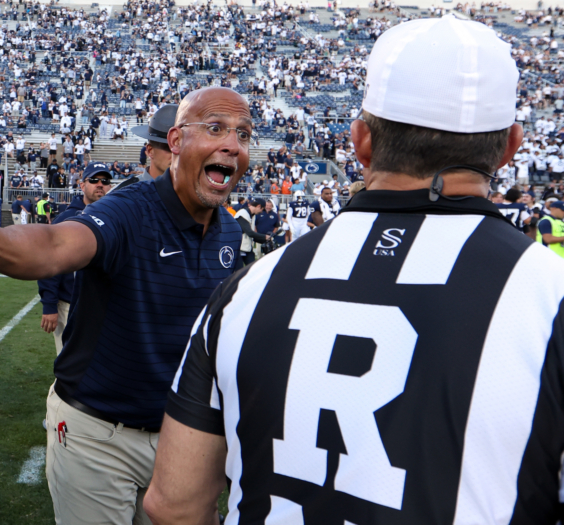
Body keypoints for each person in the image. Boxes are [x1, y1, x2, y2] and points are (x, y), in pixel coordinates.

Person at [145, 16, 564, 525]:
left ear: (360, 140)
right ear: (511, 147)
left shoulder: (249, 289)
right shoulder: (549, 297)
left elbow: (174, 503)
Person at [0, 86, 247, 524]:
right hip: (99, 433)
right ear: (174, 142)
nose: (232, 143)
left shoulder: (228, 231)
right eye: (215, 128)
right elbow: (57, 243)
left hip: (180, 435)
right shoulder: (130, 209)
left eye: (243, 134)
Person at [38, 162, 112, 354]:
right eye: (94, 180)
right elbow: (48, 262)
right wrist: (49, 305)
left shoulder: (114, 218)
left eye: (105, 181)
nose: (100, 184)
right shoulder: (66, 219)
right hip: (70, 305)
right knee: (70, 368)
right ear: (82, 185)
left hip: (104, 304)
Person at [129, 104, 179, 183]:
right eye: (168, 148)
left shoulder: (194, 192)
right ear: (150, 151)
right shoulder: (127, 193)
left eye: (181, 148)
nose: (175, 154)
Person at [235, 197, 271, 266]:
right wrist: (264, 237)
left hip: (246, 247)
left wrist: (265, 239)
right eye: (262, 209)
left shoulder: (252, 215)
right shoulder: (242, 213)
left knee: (253, 268)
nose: (261, 211)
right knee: (239, 272)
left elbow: (251, 236)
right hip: (237, 248)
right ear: (258, 206)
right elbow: (249, 233)